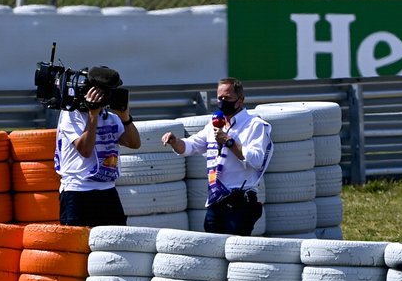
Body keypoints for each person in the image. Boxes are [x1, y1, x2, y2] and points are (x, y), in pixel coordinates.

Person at [161, 77, 272, 235]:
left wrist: (229, 142)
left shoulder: (255, 125)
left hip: (240, 200)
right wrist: (174, 141)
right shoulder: (213, 125)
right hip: (216, 199)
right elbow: (190, 146)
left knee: (235, 250)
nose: (222, 101)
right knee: (212, 250)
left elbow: (257, 160)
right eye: (219, 98)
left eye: (227, 98)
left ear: (240, 100)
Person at [54, 66, 141, 227]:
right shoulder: (71, 114)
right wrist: (93, 116)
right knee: (77, 247)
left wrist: (125, 117)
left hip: (107, 189)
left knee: (116, 244)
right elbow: (85, 150)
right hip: (77, 190)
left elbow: (134, 143)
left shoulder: (111, 117)